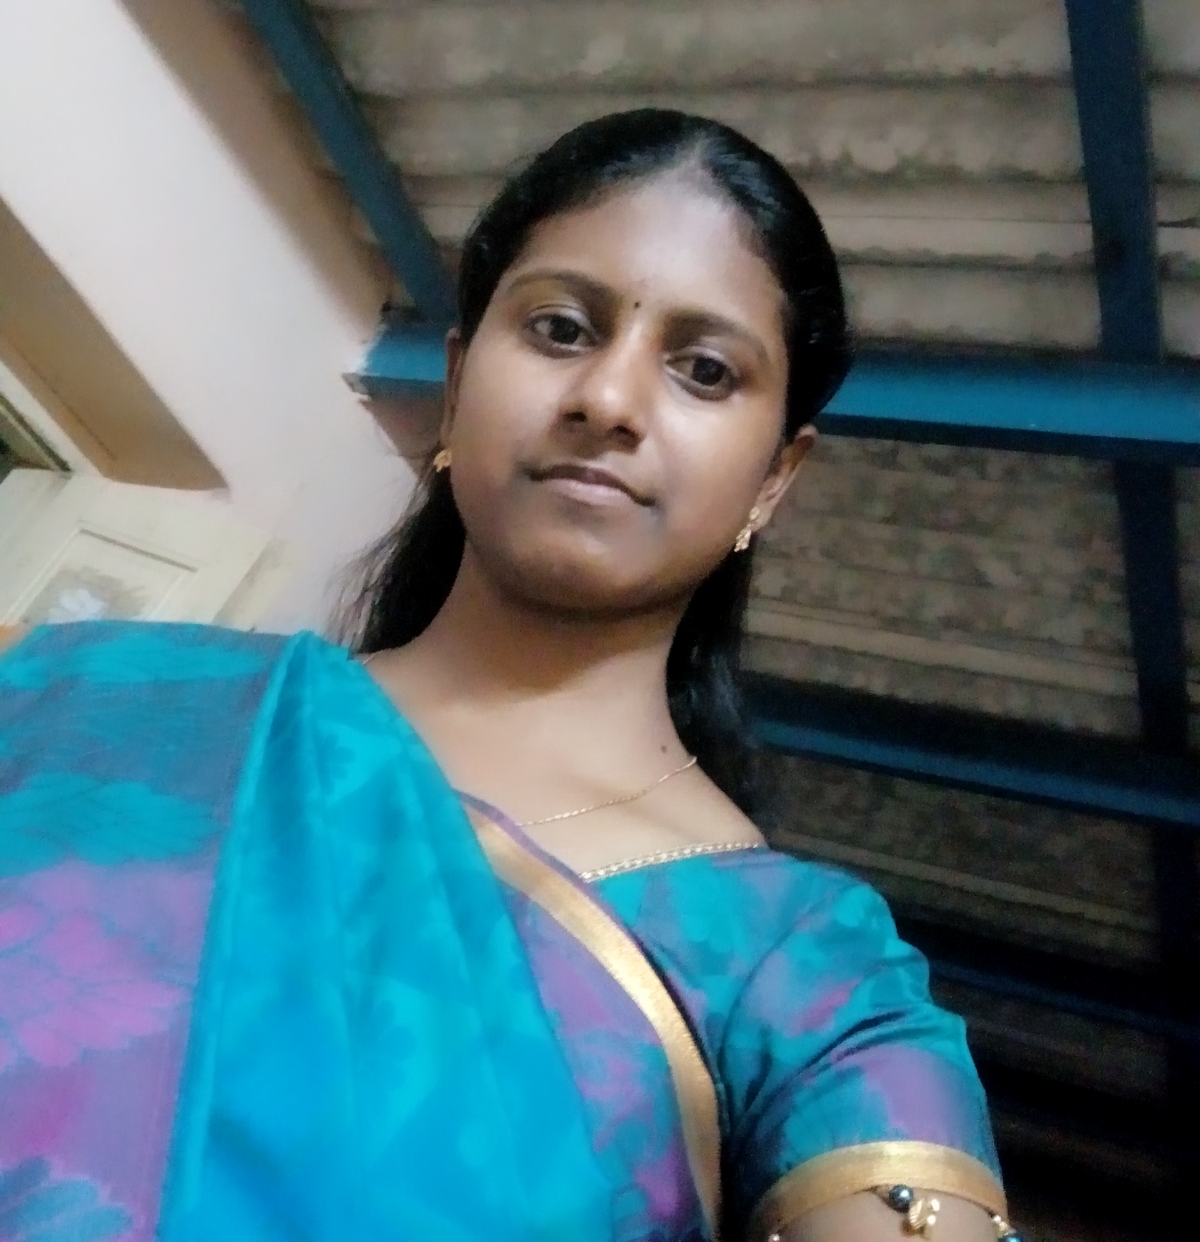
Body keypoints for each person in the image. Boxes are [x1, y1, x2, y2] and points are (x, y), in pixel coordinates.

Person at [0, 110, 1016, 1242]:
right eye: (561, 328)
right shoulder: (91, 703)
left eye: (705, 369)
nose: (608, 401)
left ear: (775, 481)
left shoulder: (802, 975)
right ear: (455, 382)